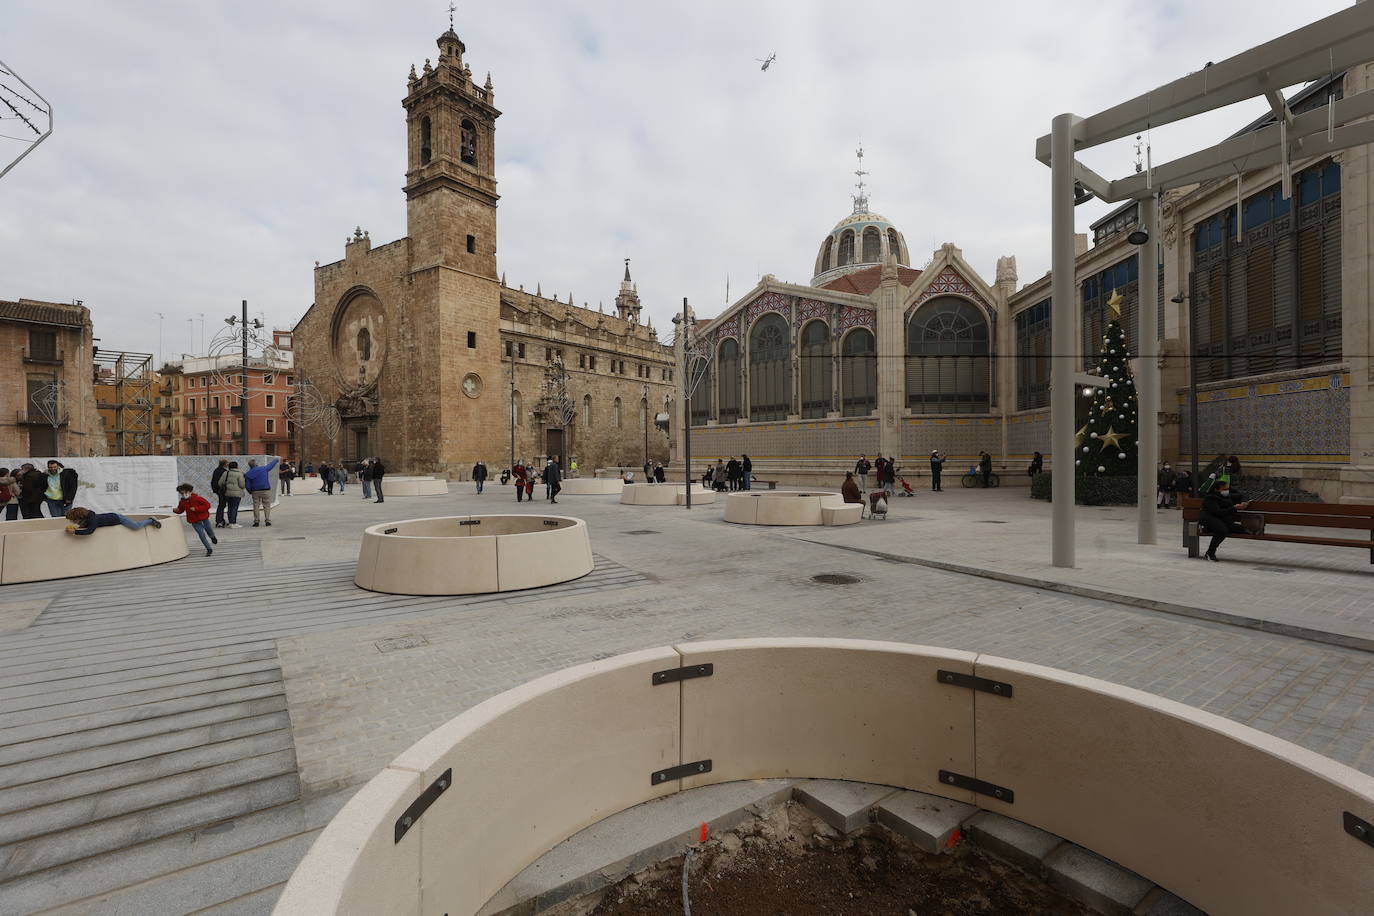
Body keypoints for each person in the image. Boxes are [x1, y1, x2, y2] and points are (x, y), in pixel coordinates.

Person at [1199, 479, 1251, 561]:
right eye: (1224, 489)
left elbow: (1243, 495)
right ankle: (1210, 552)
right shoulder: (1210, 498)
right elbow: (1217, 512)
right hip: (1209, 518)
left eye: (1227, 489)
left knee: (1242, 529)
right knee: (1222, 531)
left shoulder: (1227, 496)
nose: (1227, 491)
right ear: (1216, 489)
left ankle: (1208, 529)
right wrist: (1234, 508)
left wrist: (1244, 502)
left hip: (1222, 519)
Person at [173, 483, 217, 556]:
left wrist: (196, 509)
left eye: (186, 492)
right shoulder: (182, 502)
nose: (184, 494)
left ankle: (212, 537)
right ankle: (209, 549)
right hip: (194, 521)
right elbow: (180, 510)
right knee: (201, 534)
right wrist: (175, 510)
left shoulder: (197, 498)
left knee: (209, 530)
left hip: (204, 518)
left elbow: (207, 505)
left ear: (190, 491)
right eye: (181, 493)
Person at [65, 506, 162, 535]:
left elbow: (90, 530)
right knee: (135, 526)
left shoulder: (92, 518)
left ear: (78, 516)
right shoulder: (87, 518)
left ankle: (150, 520)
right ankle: (150, 520)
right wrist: (78, 528)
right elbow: (85, 526)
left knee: (136, 526)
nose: (73, 521)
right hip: (113, 517)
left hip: (118, 519)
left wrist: (75, 531)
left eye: (73, 520)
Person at [246, 458, 278, 527]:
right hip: (265, 489)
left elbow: (247, 485)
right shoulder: (263, 469)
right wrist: (276, 460)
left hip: (255, 491)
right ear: (256, 464)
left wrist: (250, 491)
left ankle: (256, 521)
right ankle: (267, 521)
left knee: (256, 506)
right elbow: (271, 465)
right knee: (266, 505)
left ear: (249, 466)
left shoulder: (248, 474)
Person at [222, 461, 246, 527]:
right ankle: (233, 523)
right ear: (236, 466)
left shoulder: (226, 473)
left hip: (227, 493)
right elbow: (242, 485)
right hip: (237, 493)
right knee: (234, 508)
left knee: (229, 508)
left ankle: (230, 523)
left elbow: (220, 482)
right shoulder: (239, 474)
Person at [211, 458, 230, 528]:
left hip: (219, 491)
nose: (228, 464)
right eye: (227, 463)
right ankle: (220, 521)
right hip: (223, 490)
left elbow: (213, 481)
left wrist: (215, 490)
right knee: (222, 506)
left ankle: (220, 520)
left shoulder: (216, 470)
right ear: (225, 464)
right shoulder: (224, 472)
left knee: (221, 505)